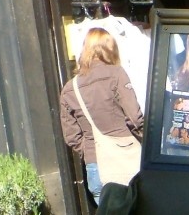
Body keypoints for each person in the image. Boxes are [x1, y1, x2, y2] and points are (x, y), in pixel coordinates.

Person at [59, 28, 144, 205]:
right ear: (110, 49)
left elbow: (71, 136)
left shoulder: (70, 88)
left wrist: (90, 150)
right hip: (128, 162)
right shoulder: (116, 74)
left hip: (96, 168)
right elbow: (135, 119)